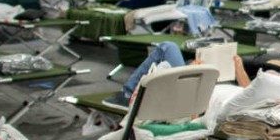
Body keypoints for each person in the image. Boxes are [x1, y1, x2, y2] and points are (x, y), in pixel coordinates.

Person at [106, 41, 251, 108]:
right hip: (207, 85)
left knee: (168, 47)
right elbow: (249, 91)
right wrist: (239, 69)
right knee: (179, 54)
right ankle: (129, 93)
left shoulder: (259, 101)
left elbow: (195, 111)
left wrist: (192, 72)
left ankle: (128, 95)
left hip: (193, 95)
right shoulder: (258, 96)